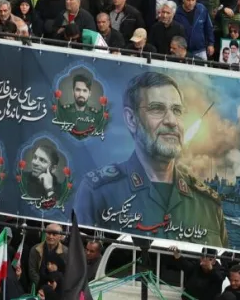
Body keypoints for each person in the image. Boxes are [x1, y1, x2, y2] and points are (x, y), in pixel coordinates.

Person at [73, 72, 227, 246]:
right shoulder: (98, 193)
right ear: (131, 119)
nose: (171, 121)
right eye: (157, 109)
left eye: (177, 110)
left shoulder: (209, 205)